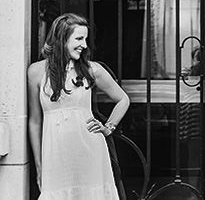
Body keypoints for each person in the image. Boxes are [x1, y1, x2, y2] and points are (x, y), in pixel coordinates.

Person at [28, 13, 131, 200]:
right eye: (79, 38)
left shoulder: (92, 69)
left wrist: (108, 128)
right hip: (55, 153)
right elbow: (35, 121)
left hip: (89, 150)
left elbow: (123, 99)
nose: (84, 44)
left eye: (85, 39)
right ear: (62, 39)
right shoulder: (35, 72)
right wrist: (39, 164)